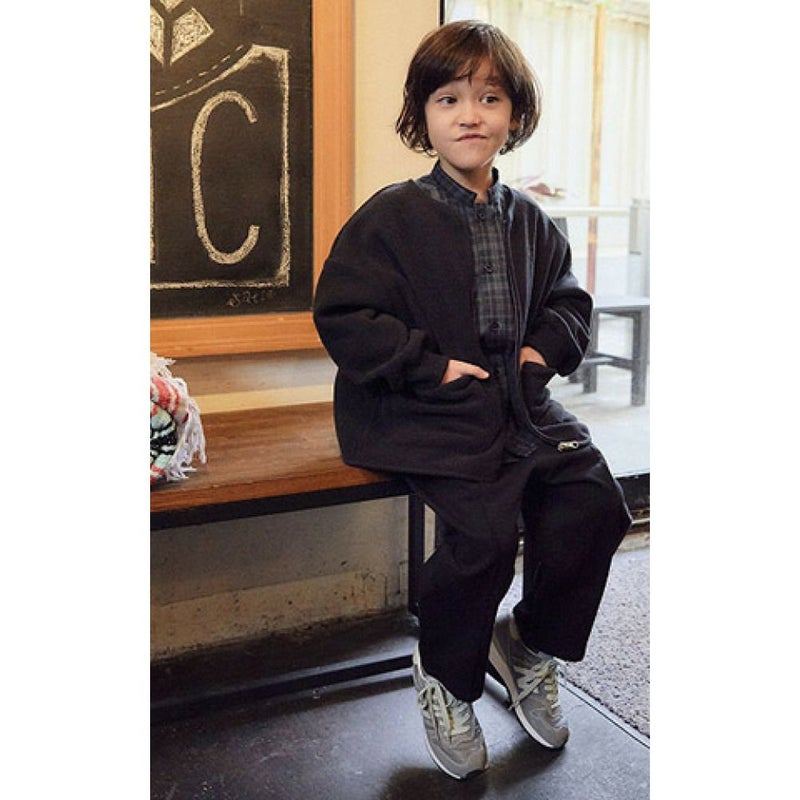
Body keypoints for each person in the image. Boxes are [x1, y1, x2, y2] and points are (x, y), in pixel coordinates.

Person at [313, 19, 631, 781]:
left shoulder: (531, 220)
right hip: (419, 405)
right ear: (421, 115)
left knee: (593, 498)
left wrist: (540, 353)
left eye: (489, 99)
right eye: (449, 98)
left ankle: (527, 643)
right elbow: (345, 314)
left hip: (515, 403)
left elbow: (569, 301)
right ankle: (447, 676)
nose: (469, 115)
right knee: (485, 532)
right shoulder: (391, 216)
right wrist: (429, 367)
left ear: (513, 116)